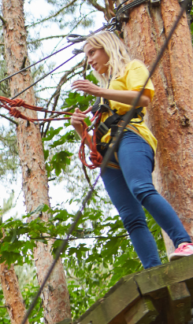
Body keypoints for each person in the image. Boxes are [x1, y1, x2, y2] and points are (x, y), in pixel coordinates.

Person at [70, 31, 192, 268]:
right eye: (87, 55)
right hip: (107, 156)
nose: (90, 60)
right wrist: (81, 130)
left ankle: (183, 242)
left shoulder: (131, 68)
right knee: (131, 218)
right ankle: (152, 269)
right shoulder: (102, 94)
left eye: (93, 52)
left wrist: (99, 91)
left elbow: (143, 98)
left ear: (107, 47)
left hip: (131, 137)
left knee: (141, 188)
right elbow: (95, 146)